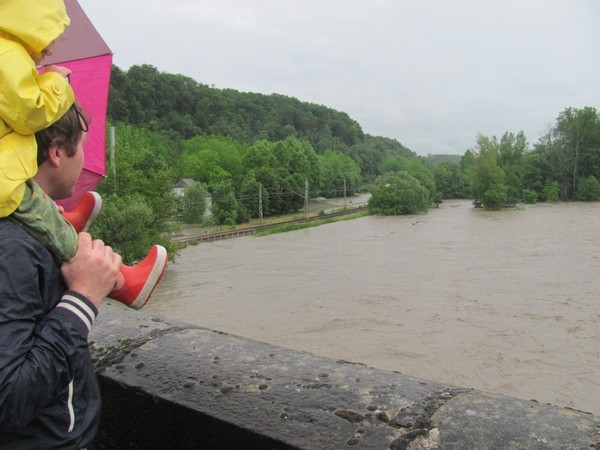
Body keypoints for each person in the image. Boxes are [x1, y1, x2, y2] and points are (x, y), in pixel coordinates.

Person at [0, 0, 167, 309]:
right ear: (57, 152)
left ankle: (64, 223)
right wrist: (54, 80)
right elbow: (30, 111)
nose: (51, 47)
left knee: (23, 196)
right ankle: (122, 283)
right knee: (16, 195)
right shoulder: (6, 52)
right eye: (49, 34)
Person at [0, 103, 119, 448]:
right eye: (80, 146)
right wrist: (82, 298)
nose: (82, 158)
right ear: (55, 152)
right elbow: (9, 398)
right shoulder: (13, 249)